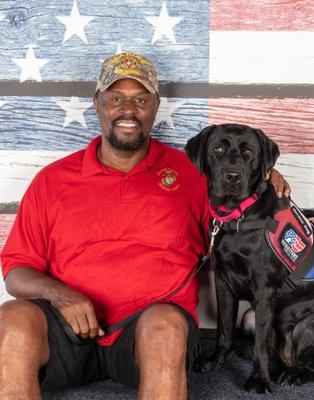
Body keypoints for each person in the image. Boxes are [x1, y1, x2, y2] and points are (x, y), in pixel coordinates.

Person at [0, 52, 290, 400]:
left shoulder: (195, 175)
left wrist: (262, 178)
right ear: (97, 104)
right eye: (116, 98)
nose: (128, 109)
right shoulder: (52, 180)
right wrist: (60, 295)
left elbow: (243, 213)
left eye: (141, 99)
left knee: (165, 329)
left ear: (155, 107)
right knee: (11, 319)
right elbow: (16, 271)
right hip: (67, 330)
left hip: (150, 330)